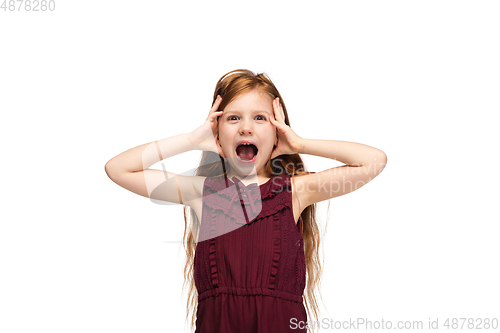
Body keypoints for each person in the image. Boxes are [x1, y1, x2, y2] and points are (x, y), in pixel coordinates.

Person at [104, 69, 387, 333]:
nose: (246, 128)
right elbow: (119, 169)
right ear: (217, 132)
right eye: (233, 118)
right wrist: (191, 140)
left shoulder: (296, 191)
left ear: (278, 131)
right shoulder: (203, 193)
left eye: (260, 118)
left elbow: (373, 162)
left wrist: (300, 144)